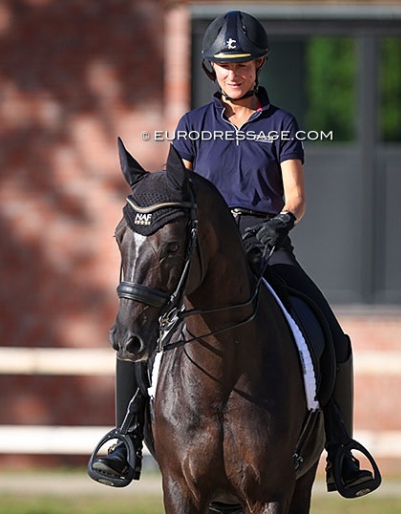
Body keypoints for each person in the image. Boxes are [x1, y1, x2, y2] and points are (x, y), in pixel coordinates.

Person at [91, 10, 377, 496]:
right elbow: (174, 188)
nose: (234, 73)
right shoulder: (193, 125)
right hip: (207, 247)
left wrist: (278, 225)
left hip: (268, 245)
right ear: (211, 69)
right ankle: (127, 436)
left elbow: (296, 197)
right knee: (139, 329)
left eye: (243, 64)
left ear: (259, 65)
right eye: (225, 65)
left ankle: (341, 451)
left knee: (331, 332)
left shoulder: (281, 124)